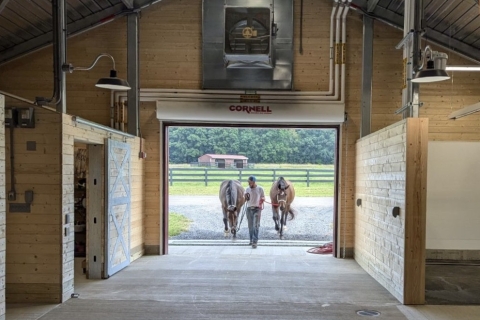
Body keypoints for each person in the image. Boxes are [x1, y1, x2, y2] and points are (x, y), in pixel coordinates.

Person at [244, 175, 265, 248]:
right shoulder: (247, 189)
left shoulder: (260, 189)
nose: (249, 184)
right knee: (250, 226)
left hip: (257, 209)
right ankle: (251, 240)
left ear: (254, 182)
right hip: (249, 209)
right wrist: (245, 197)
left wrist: (262, 199)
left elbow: (263, 197)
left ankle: (255, 241)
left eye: (250, 183)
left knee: (256, 225)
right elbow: (245, 199)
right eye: (248, 183)